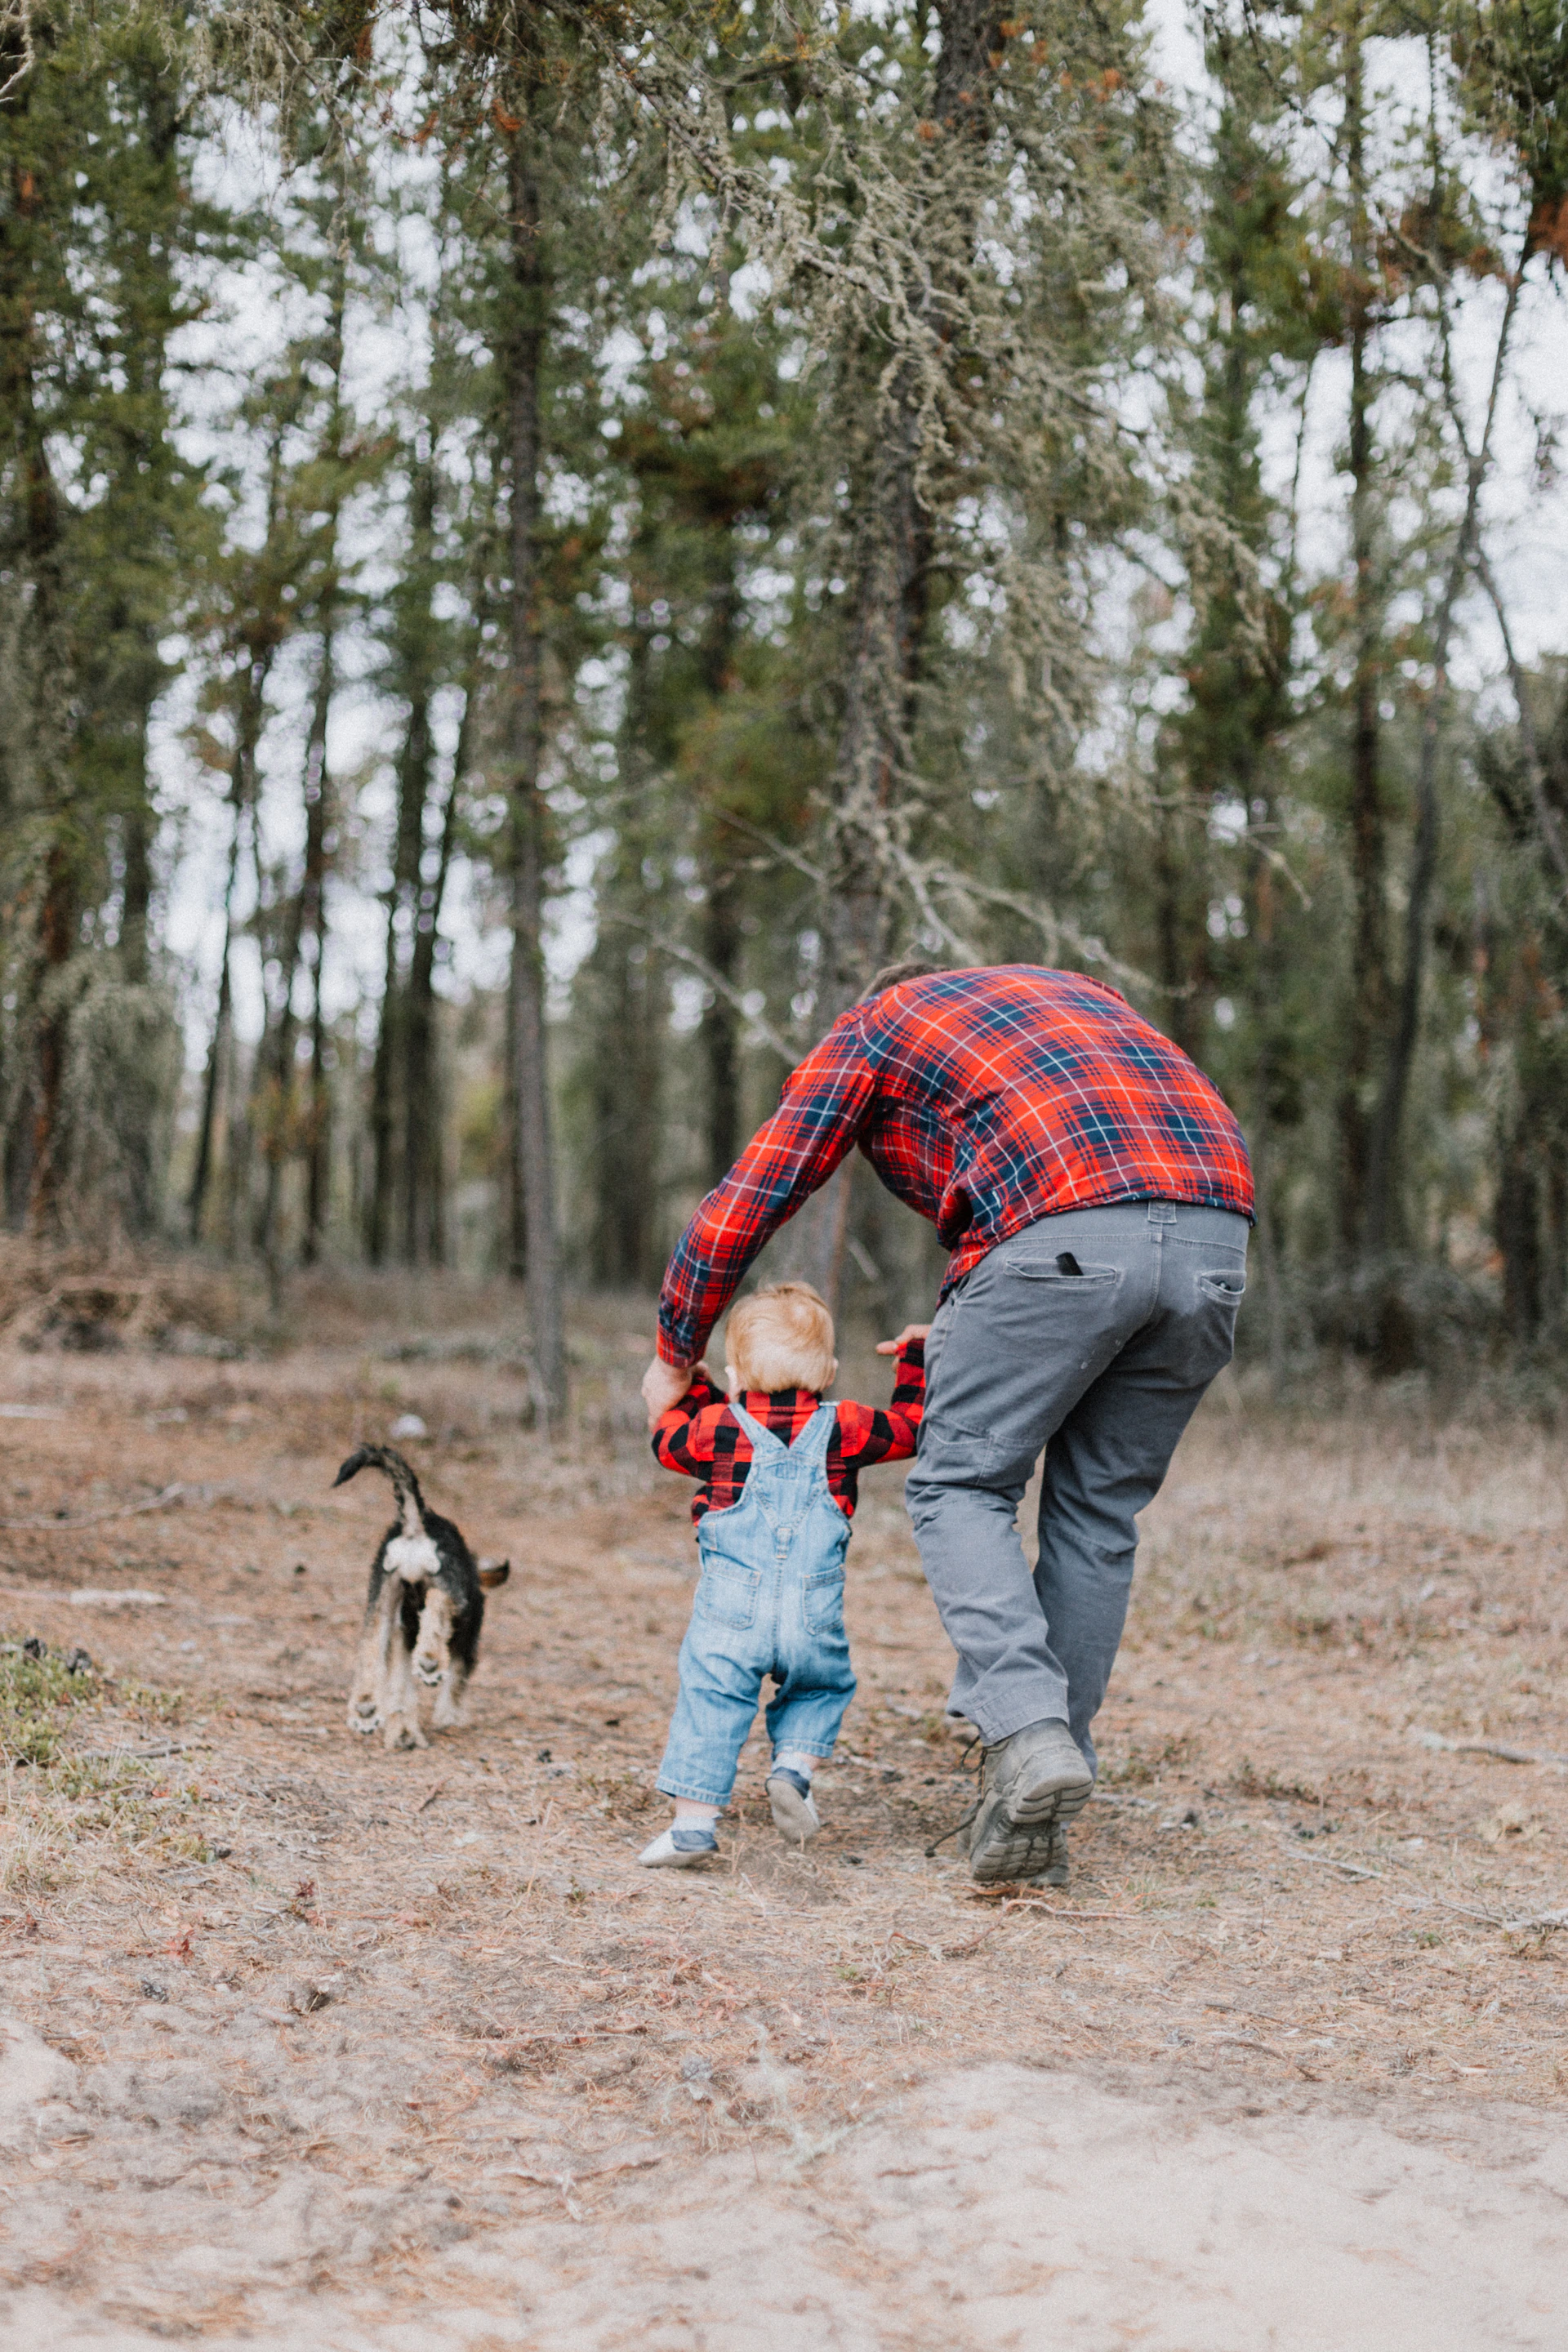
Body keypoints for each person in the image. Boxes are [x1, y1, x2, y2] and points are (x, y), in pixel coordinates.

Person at [641, 963, 1252, 1886]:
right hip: (1217, 1229)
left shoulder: (876, 1026)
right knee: (1098, 1513)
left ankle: (1030, 1734)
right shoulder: (1074, 995)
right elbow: (1045, 1197)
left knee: (961, 1485)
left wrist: (673, 1347)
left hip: (1063, 1229)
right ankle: (1037, 1785)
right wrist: (977, 1320)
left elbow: (754, 1194)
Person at [637, 1280, 925, 1869]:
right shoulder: (845, 1425)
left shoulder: (717, 1427)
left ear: (737, 1373)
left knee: (710, 1699)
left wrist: (688, 1388)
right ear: (829, 1372)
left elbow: (667, 1441)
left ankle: (693, 1827)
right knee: (821, 1686)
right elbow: (912, 1426)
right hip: (811, 1610)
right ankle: (794, 1767)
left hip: (729, 1609)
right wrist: (915, 1362)